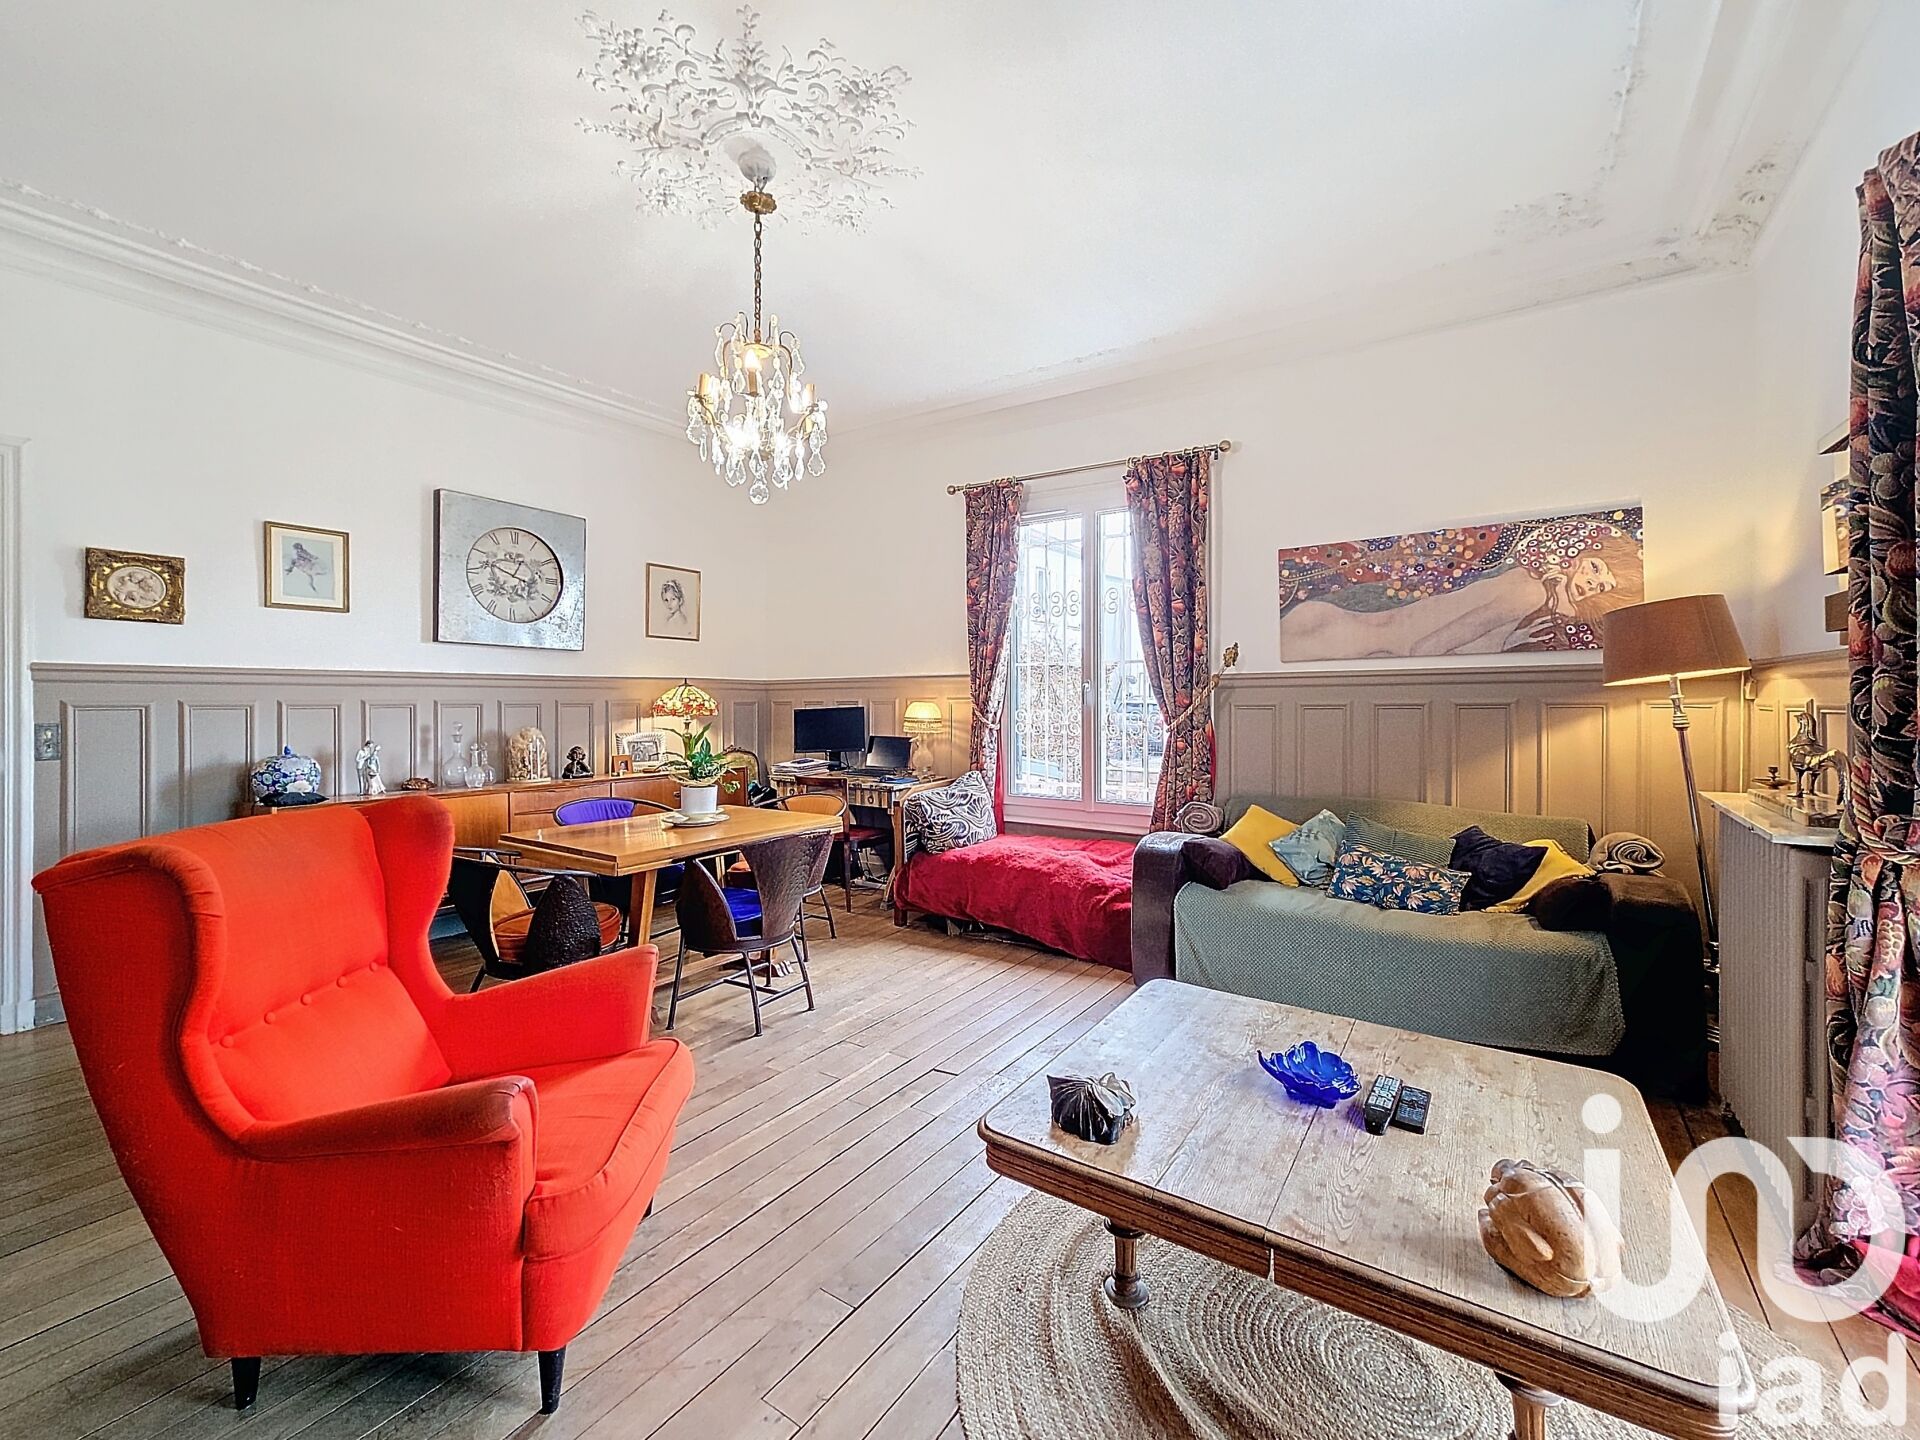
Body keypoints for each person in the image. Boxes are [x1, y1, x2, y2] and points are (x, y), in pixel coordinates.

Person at [1278, 521, 1641, 660]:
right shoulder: (1529, 594)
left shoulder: (1529, 588)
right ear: (1576, 554)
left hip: (1337, 629)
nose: (1592, 584)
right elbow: (1424, 649)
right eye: (1596, 568)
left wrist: (1511, 641)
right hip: (1335, 638)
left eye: (1603, 587)